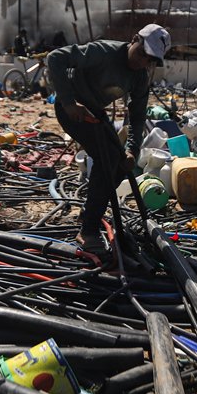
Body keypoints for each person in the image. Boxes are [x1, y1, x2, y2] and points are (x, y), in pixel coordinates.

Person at [47, 23, 170, 260]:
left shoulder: (140, 77)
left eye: (150, 60)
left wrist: (132, 150)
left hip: (96, 113)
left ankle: (89, 211)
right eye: (142, 53)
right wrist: (69, 102)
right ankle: (89, 230)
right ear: (134, 39)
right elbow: (55, 58)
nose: (143, 61)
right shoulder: (103, 52)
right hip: (72, 108)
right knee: (108, 159)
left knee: (120, 164)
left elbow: (136, 117)